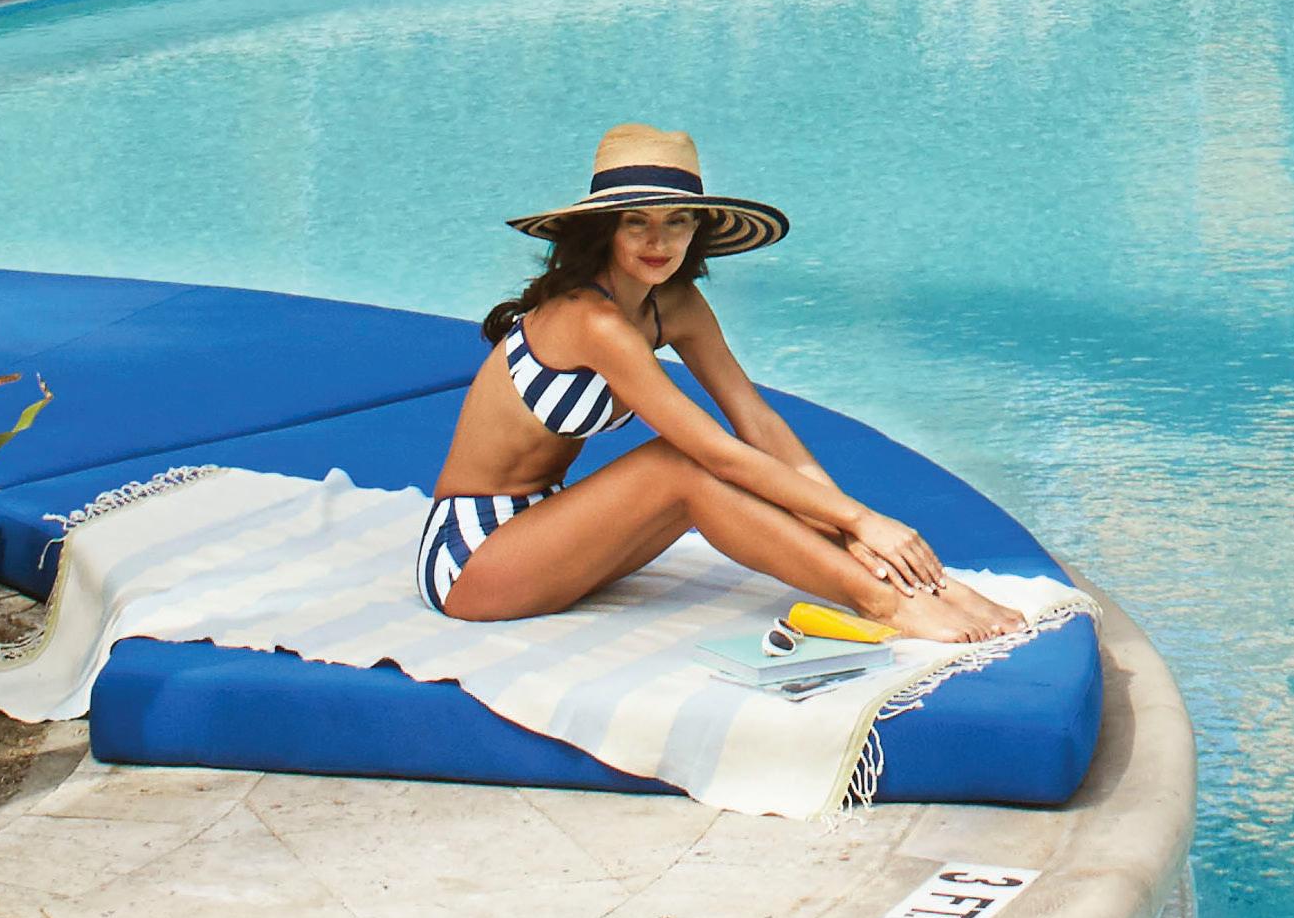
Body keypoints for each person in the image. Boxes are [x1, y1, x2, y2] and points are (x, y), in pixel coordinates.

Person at [418, 125, 1019, 645]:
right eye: (636, 223)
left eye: (676, 222)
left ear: (697, 229)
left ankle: (918, 585)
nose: (658, 243)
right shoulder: (590, 320)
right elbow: (715, 454)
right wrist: (863, 519)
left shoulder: (675, 304)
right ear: (604, 230)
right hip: (471, 554)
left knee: (727, 471)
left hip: (548, 529)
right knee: (677, 466)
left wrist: (855, 533)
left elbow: (755, 421)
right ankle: (884, 603)